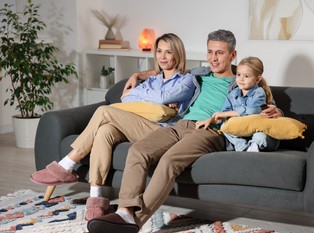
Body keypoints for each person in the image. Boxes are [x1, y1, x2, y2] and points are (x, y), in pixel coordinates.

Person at [77, 29, 283, 233]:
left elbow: (267, 102)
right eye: (210, 52)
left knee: (169, 161)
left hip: (211, 131)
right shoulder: (199, 74)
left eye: (220, 53)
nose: (213, 58)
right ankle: (124, 212)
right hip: (181, 124)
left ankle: (130, 227)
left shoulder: (243, 78)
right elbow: (167, 68)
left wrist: (277, 112)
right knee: (138, 151)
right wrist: (137, 76)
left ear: (232, 56)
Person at [30, 33, 197, 221]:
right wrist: (145, 86)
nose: (163, 56)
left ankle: (66, 165)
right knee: (104, 131)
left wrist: (147, 96)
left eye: (169, 52)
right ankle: (96, 196)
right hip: (135, 124)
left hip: (162, 132)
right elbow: (126, 98)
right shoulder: (152, 80)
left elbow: (160, 98)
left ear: (178, 54)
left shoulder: (187, 80)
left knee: (104, 111)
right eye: (159, 51)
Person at [196, 56, 280, 152]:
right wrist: (211, 119)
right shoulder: (233, 94)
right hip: (242, 132)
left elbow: (253, 110)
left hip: (258, 129)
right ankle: (244, 148)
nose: (241, 79)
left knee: (259, 137)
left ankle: (254, 146)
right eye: (238, 74)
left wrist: (226, 114)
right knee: (224, 127)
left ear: (257, 79)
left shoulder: (259, 92)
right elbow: (224, 114)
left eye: (246, 76)